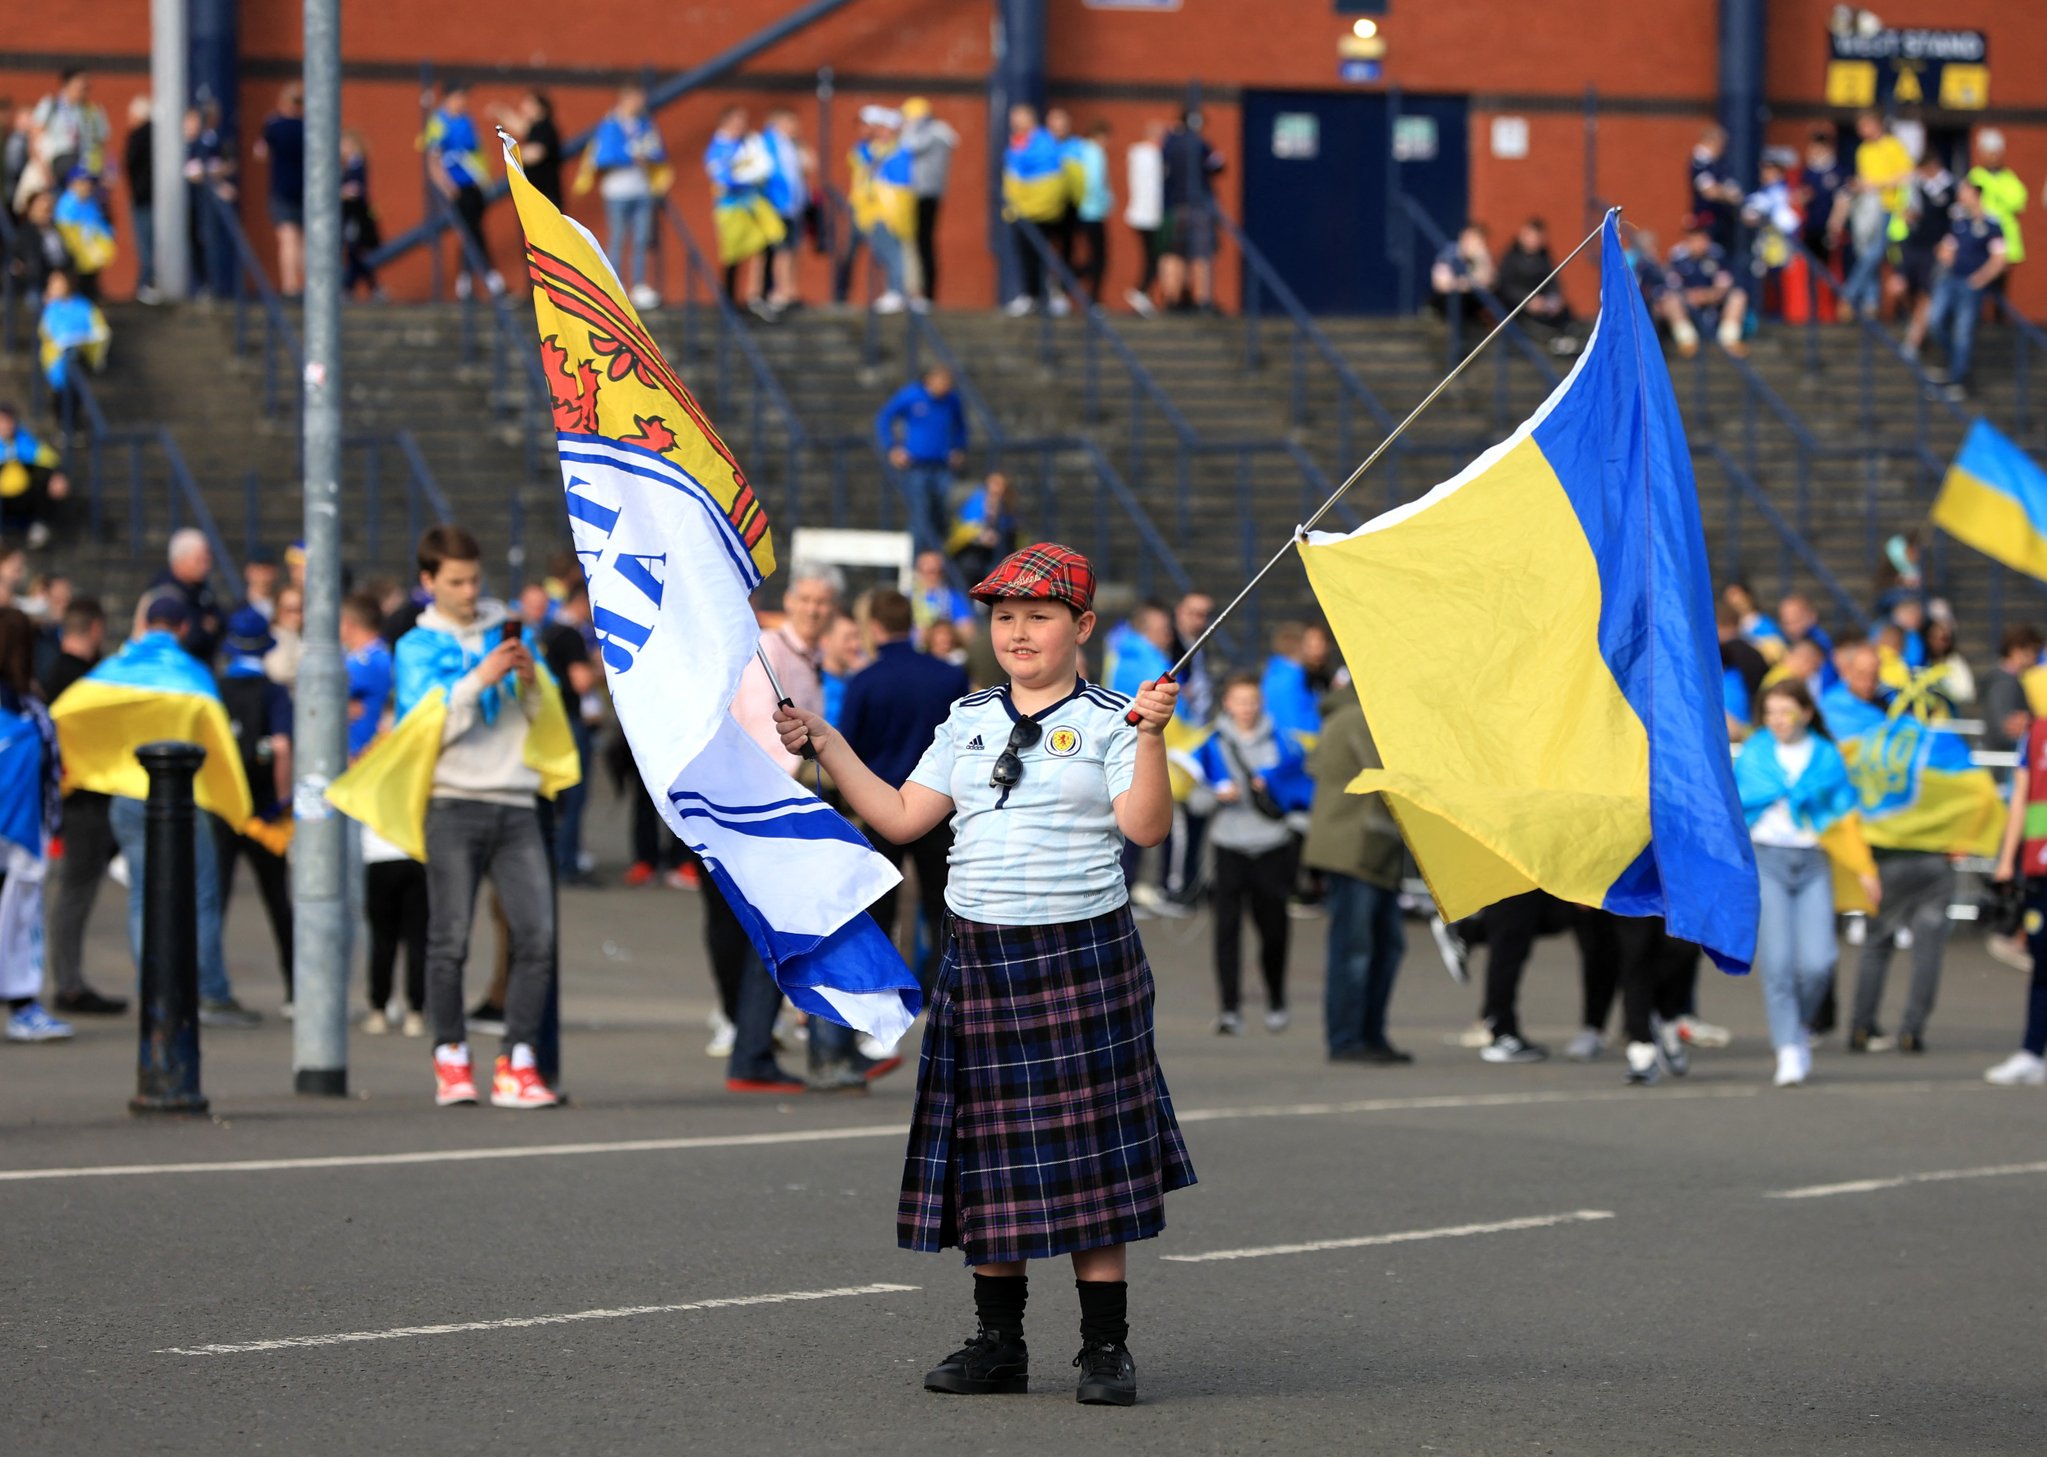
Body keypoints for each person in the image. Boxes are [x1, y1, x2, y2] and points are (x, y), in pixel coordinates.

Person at [772, 542, 1190, 1408]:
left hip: (1084, 954)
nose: (1018, 631)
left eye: (1039, 615)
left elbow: (1145, 828)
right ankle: (999, 1341)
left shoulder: (1119, 715)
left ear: (1081, 626)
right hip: (982, 953)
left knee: (1091, 1158)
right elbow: (896, 815)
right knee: (988, 1158)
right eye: (1004, 616)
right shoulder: (964, 718)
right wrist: (825, 740)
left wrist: (1151, 736)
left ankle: (1103, 1349)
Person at [396, 526, 559, 1110]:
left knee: (536, 936)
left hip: (515, 800)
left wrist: (527, 678)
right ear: (429, 582)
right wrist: (478, 679)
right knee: (450, 939)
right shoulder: (414, 647)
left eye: (474, 579)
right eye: (455, 581)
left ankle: (517, 1061)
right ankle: (451, 1057)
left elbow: (543, 717)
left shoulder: (510, 632)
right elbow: (424, 731)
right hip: (452, 800)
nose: (469, 591)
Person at [726, 567, 886, 1093]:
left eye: (824, 602)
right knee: (810, 927)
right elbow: (757, 729)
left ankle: (768, 1052)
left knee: (793, 934)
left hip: (792, 807)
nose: (815, 609)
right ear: (790, 600)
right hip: (779, 809)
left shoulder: (808, 660)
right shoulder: (767, 652)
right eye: (807, 599)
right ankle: (819, 1051)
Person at [100, 596, 260, 1026]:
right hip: (187, 798)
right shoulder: (191, 673)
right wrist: (236, 802)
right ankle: (209, 993)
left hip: (128, 794)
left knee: (141, 895)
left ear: (145, 623)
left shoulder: (119, 667)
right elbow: (219, 740)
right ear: (184, 629)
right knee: (202, 896)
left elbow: (82, 710)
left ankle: (152, 989)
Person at [1737, 679, 1878, 1087]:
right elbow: (1735, 807)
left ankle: (1797, 1028)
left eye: (1786, 711)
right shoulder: (1754, 754)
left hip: (1815, 862)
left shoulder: (1827, 757)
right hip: (1767, 860)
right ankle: (1787, 1048)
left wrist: (1866, 869)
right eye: (1770, 712)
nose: (1778, 720)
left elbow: (1845, 817)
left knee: (1821, 962)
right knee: (1778, 963)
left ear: (1807, 713)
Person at [839, 587, 968, 995]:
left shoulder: (865, 680)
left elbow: (849, 747)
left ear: (874, 626)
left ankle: (879, 988)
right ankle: (943, 984)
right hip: (939, 803)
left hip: (880, 803)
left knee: (879, 905)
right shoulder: (948, 675)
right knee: (942, 904)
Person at [1193, 673, 1312, 1035]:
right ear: (1227, 703)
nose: (1247, 708)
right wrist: (1217, 795)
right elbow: (1194, 802)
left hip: (1272, 847)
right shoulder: (1212, 744)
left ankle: (1276, 998)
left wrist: (1278, 798)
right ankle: (1229, 1009)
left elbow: (1302, 794)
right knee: (1226, 932)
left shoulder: (1284, 743)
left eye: (1253, 701)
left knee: (1274, 931)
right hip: (1228, 846)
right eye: (1240, 701)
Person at [1301, 681, 1408, 1063]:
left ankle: (1369, 1034)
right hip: (1354, 848)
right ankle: (1349, 1039)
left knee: (1382, 946)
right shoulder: (1357, 718)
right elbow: (1391, 772)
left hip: (1368, 848)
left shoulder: (1349, 715)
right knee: (1356, 948)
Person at [38, 596, 123, 1017]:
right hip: (83, 799)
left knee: (77, 890)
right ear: (95, 627)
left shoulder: (57, 676)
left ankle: (69, 980)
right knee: (76, 891)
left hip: (78, 797)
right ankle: (68, 984)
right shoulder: (83, 681)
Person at [215, 607, 295, 1004]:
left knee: (214, 902)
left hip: (224, 809)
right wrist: (282, 802)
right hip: (263, 812)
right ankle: (296, 992)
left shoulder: (216, 688)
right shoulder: (274, 692)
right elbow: (281, 748)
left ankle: (208, 986)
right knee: (279, 902)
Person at [0, 606, 70, 1043]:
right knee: (20, 920)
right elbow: (53, 777)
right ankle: (22, 1005)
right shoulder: (33, 714)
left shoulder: (32, 713)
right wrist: (53, 827)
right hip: (23, 833)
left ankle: (23, 1005)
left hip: (21, 831)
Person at [1984, 707, 2047, 1086]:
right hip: (2041, 867)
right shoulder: (2037, 732)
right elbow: (2023, 799)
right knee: (2043, 963)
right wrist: (2007, 859)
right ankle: (2031, 1052)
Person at [1925, 177, 2008, 402]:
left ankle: (1959, 379)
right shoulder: (1959, 220)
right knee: (1934, 322)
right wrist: (1944, 253)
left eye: (1965, 191)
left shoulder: (1991, 222)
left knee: (1963, 332)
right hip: (1950, 279)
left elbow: (2000, 258)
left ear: (1976, 194)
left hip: (1970, 285)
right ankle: (1954, 367)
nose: (1961, 196)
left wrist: (1980, 279)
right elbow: (1948, 247)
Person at [876, 366, 968, 556]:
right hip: (917, 465)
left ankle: (940, 556)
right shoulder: (911, 396)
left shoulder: (951, 400)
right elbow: (884, 418)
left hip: (942, 465)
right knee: (920, 513)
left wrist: (958, 448)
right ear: (929, 380)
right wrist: (892, 447)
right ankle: (917, 560)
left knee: (942, 511)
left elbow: (960, 426)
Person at [589, 86, 667, 311]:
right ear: (624, 99)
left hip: (641, 189)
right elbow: (602, 157)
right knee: (617, 238)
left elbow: (659, 151)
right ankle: (615, 286)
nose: (639, 104)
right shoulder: (610, 124)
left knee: (641, 239)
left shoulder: (645, 124)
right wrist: (630, 156)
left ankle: (639, 285)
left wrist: (647, 155)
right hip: (617, 191)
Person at [424, 81, 502, 298]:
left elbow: (476, 150)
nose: (463, 102)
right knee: (470, 229)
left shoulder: (467, 120)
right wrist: (447, 186)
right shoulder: (439, 122)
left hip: (474, 183)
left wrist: (484, 175)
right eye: (459, 97)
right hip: (457, 186)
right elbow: (434, 159)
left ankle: (467, 279)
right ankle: (488, 275)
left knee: (473, 228)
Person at [704, 105, 783, 308]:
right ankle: (728, 301)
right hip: (731, 208)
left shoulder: (748, 143)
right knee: (733, 253)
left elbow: (762, 167)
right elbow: (723, 178)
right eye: (738, 120)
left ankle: (764, 296)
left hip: (754, 204)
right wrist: (748, 177)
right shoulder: (718, 148)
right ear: (726, 122)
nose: (742, 125)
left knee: (770, 243)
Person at [1843, 112, 1911, 319]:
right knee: (1865, 252)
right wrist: (1860, 185)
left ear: (1876, 124)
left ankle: (1848, 293)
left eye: (1865, 126)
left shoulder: (1893, 145)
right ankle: (1871, 300)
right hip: (1867, 208)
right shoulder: (1862, 150)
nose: (1861, 131)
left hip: (1889, 207)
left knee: (1875, 252)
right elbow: (1865, 179)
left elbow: (1906, 175)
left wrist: (1877, 183)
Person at [1002, 104, 1066, 317]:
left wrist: (1024, 204)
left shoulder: (1040, 142)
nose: (1014, 123)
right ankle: (1032, 295)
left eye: (1018, 119)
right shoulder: (1019, 143)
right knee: (1026, 254)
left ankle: (1048, 295)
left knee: (1042, 254)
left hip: (1039, 210)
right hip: (1023, 209)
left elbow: (1042, 175)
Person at [1158, 109, 1223, 314]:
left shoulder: (1170, 142)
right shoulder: (1200, 143)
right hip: (1199, 205)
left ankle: (1172, 299)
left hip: (1174, 206)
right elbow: (1218, 164)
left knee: (1173, 253)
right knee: (1201, 255)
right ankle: (1202, 300)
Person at [1658, 214, 1749, 359]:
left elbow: (1723, 285)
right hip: (1688, 306)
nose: (1699, 241)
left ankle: (1729, 340)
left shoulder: (1717, 255)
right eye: (1694, 236)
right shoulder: (1677, 258)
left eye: (1701, 236)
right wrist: (1692, 296)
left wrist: (1706, 296)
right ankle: (1686, 341)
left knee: (1738, 296)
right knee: (1669, 300)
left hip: (1714, 306)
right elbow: (1672, 285)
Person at [1898, 151, 1956, 361]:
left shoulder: (1951, 189)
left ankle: (1914, 338)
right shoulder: (1916, 187)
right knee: (1900, 287)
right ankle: (1916, 324)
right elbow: (1908, 213)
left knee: (1926, 294)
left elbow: (1953, 221)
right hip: (1913, 246)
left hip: (1934, 251)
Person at [898, 97, 956, 306]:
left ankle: (926, 293)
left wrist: (906, 130)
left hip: (924, 194)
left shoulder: (931, 133)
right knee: (920, 243)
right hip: (925, 194)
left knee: (923, 243)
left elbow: (910, 145)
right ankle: (921, 291)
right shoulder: (937, 132)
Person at [254, 84, 306, 296]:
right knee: (305, 241)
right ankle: (310, 284)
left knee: (288, 239)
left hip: (282, 188)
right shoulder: (308, 126)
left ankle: (290, 285)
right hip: (307, 189)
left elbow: (260, 153)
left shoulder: (274, 126)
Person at [0, 401, 71, 549]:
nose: (5, 425)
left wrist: (58, 475)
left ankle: (40, 526)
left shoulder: (25, 440)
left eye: (8, 420)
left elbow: (50, 459)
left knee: (51, 480)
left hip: (24, 498)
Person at [1497, 217, 1576, 351]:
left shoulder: (1544, 257)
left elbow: (1553, 280)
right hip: (1520, 308)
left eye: (1537, 237)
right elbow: (1506, 286)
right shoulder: (1511, 257)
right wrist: (1527, 300)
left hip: (1543, 304)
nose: (1534, 241)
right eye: (1530, 236)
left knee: (1566, 313)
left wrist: (1554, 298)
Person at [760, 107, 810, 312]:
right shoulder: (768, 143)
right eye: (790, 123)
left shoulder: (791, 145)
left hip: (793, 206)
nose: (795, 128)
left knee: (792, 249)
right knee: (780, 250)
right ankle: (779, 291)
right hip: (776, 205)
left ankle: (790, 290)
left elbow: (809, 165)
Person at [29, 69, 109, 193]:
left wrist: (101, 171)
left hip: (86, 168)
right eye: (80, 84)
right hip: (57, 166)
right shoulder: (51, 105)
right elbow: (35, 140)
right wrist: (44, 171)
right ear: (67, 85)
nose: (84, 89)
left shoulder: (93, 111)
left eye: (87, 86)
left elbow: (101, 144)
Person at [1966, 128, 2026, 288]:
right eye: (1988, 152)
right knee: (1979, 285)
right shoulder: (1975, 176)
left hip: (2005, 239)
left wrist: (1994, 192)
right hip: (1980, 239)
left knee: (1999, 288)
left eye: (1995, 152)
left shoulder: (2009, 178)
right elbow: (1968, 202)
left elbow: (2017, 202)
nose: (1992, 156)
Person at [37, 269, 109, 401]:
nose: (53, 287)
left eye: (57, 283)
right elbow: (45, 333)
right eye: (51, 283)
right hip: (57, 362)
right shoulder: (51, 309)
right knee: (62, 398)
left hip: (80, 358)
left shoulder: (84, 307)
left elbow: (100, 331)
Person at [1123, 119, 1166, 317]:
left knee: (1152, 257)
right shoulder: (1152, 156)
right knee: (1153, 258)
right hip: (1149, 215)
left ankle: (1142, 292)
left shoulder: (1137, 155)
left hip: (1139, 213)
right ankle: (1140, 292)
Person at [493, 90, 561, 207]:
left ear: (539, 108)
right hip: (533, 195)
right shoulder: (535, 128)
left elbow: (536, 153)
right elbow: (518, 125)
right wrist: (500, 112)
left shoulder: (546, 128)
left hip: (544, 196)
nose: (524, 108)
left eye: (529, 105)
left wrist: (512, 155)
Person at [1071, 120, 1113, 306]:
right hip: (1093, 211)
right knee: (1100, 258)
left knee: (1092, 255)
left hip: (1080, 209)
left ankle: (1066, 282)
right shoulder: (1095, 152)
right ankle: (1092, 297)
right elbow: (1095, 183)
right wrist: (1106, 202)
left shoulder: (1079, 150)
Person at [1259, 622, 1321, 743]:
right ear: (1300, 646)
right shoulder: (1292, 678)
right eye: (1309, 645)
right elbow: (1296, 724)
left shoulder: (1274, 672)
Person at [339, 129, 382, 298]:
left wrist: (338, 192)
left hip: (356, 215)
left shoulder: (357, 164)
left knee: (354, 251)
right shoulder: (349, 165)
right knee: (355, 253)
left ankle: (349, 287)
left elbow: (354, 190)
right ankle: (373, 287)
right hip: (352, 215)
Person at [1689, 124, 1744, 253]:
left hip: (1722, 222)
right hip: (1708, 221)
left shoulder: (1717, 163)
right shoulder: (1700, 163)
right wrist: (1727, 194)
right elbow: (1709, 191)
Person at [122, 95, 156, 303]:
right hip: (152, 197)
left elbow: (130, 163)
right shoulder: (160, 135)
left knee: (145, 243)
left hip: (143, 197)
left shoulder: (139, 136)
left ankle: (146, 283)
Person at [1430, 222, 1497, 319]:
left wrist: (1480, 259)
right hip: (1447, 300)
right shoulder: (1449, 254)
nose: (1473, 244)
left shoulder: (1481, 255)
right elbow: (1441, 284)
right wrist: (1467, 284)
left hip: (1469, 300)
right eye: (1471, 239)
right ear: (1463, 237)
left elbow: (1487, 282)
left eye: (1477, 240)